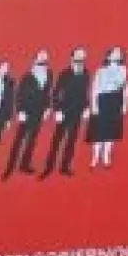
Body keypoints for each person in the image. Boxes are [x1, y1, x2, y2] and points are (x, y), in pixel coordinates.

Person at [3, 50, 55, 179]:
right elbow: (19, 95)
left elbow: (48, 93)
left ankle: (24, 164)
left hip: (39, 112)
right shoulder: (27, 76)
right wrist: (20, 111)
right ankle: (10, 167)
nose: (43, 63)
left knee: (32, 140)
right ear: (35, 61)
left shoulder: (49, 74)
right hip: (26, 113)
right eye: (41, 60)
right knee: (18, 140)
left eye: (45, 60)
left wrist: (48, 108)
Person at [42, 47, 90, 179]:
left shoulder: (86, 74)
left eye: (83, 58)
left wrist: (86, 108)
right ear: (72, 58)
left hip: (77, 112)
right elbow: (56, 93)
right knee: (57, 140)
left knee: (71, 141)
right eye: (78, 57)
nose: (81, 60)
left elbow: (85, 93)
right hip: (64, 112)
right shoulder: (64, 74)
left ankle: (65, 167)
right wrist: (57, 110)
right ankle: (49, 168)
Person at [87, 47, 128, 169]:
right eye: (114, 53)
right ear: (108, 56)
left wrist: (125, 104)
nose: (117, 55)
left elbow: (125, 88)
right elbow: (95, 88)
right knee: (98, 132)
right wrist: (94, 105)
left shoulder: (123, 70)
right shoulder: (100, 71)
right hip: (102, 100)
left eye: (119, 53)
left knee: (111, 131)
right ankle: (95, 157)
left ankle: (106, 156)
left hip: (115, 100)